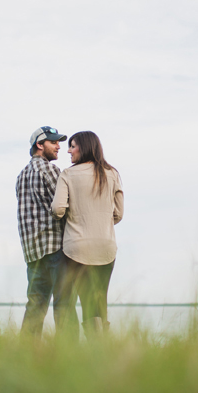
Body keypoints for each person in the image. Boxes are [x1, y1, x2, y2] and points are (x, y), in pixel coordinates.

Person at [51, 131, 124, 338]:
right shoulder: (112, 174)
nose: (68, 150)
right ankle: (100, 350)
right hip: (106, 248)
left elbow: (57, 209)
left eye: (72, 146)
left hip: (77, 248)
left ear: (83, 147)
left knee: (76, 299)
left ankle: (78, 351)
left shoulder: (68, 174)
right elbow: (118, 214)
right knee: (98, 302)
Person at [16, 126, 79, 339]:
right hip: (55, 247)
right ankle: (68, 355)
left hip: (32, 252)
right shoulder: (50, 170)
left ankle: (26, 354)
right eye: (53, 142)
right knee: (64, 303)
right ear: (39, 145)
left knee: (35, 304)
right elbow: (64, 205)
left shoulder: (21, 175)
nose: (59, 146)